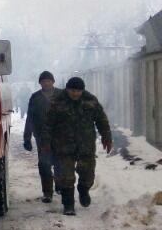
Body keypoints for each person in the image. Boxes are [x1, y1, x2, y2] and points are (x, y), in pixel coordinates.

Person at [42, 77, 112, 216]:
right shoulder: (57, 102)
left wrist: (106, 137)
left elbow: (101, 119)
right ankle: (68, 204)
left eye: (78, 91)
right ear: (67, 89)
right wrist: (45, 142)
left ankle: (83, 189)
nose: (75, 94)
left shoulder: (90, 100)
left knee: (87, 174)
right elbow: (48, 124)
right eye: (72, 90)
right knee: (65, 177)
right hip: (63, 146)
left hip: (85, 145)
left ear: (82, 90)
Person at [23, 71, 62, 203]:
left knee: (60, 163)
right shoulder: (35, 98)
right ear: (40, 83)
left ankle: (60, 185)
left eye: (48, 80)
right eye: (43, 81)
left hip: (60, 137)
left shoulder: (62, 95)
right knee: (44, 165)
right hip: (42, 138)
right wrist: (27, 138)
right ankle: (47, 192)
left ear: (53, 82)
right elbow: (30, 118)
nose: (46, 83)